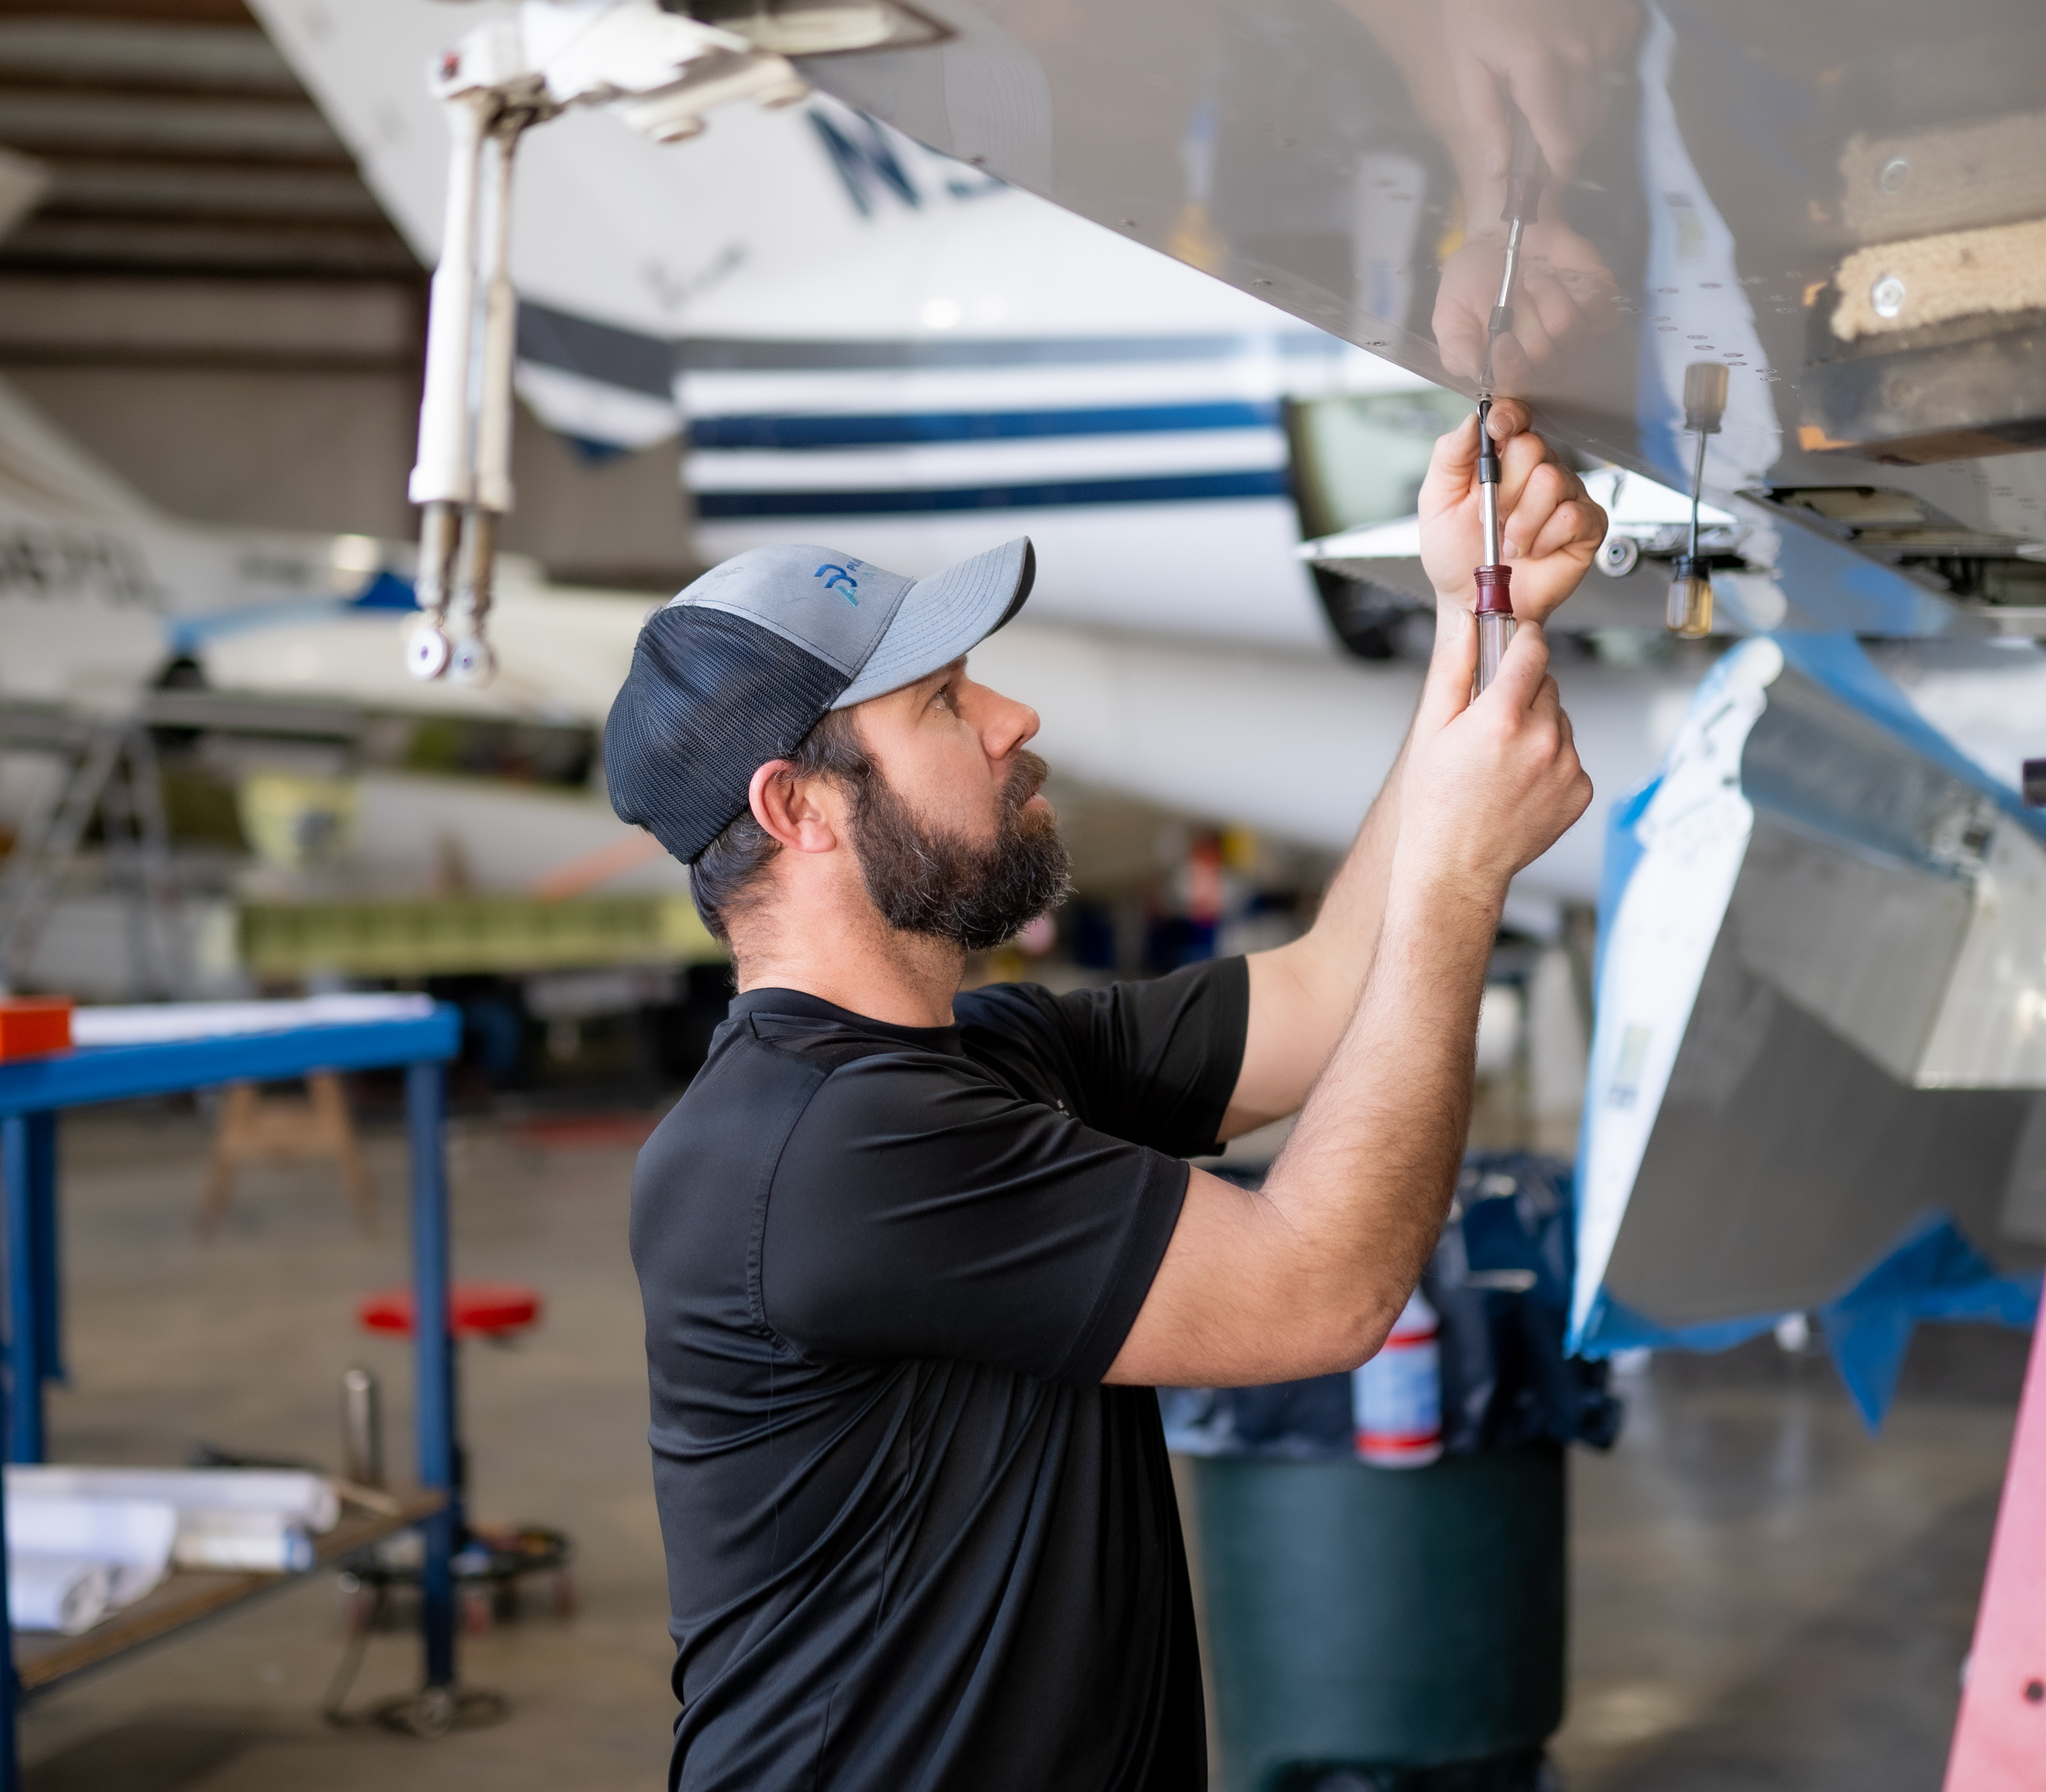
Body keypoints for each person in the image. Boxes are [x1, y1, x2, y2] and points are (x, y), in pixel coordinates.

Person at [608, 400, 1602, 1790]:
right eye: (944, 704)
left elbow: (1323, 994)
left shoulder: (976, 1066)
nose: (1015, 717)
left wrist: (1466, 622)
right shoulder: (827, 1151)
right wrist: (1460, 879)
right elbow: (1325, 1291)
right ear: (796, 809)